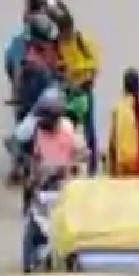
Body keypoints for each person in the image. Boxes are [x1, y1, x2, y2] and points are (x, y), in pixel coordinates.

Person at [54, 12, 100, 175]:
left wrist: (77, 73)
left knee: (89, 128)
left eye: (65, 33)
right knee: (65, 129)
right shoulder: (58, 44)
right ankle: (66, 165)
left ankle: (93, 168)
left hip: (83, 89)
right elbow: (57, 66)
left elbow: (94, 66)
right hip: (67, 91)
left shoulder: (82, 41)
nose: (64, 36)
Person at [108, 68, 139, 176]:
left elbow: (112, 140)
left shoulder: (118, 108)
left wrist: (112, 170)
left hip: (122, 166)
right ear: (138, 85)